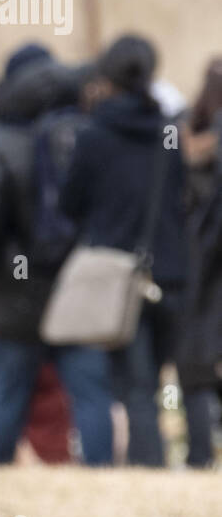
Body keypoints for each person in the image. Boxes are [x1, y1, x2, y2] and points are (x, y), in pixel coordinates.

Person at [0, 43, 114, 465]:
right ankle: (104, 482)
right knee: (91, 394)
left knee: (7, 392)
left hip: (12, 291)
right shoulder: (89, 135)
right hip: (80, 287)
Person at [59, 35, 187, 468]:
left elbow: (70, 203)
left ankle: (141, 471)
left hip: (114, 273)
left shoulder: (93, 135)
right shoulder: (169, 134)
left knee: (126, 384)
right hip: (167, 272)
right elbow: (181, 197)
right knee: (147, 385)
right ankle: (149, 465)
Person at [181, 58, 222, 467]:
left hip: (198, 267)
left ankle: (199, 455)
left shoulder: (181, 138)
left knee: (195, 364)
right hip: (208, 264)